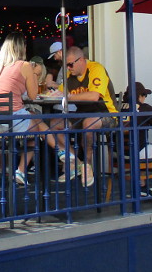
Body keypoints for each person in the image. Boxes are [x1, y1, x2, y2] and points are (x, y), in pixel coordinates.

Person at [0, 32, 76, 187]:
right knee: (37, 121)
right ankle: (61, 151)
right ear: (22, 47)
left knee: (33, 124)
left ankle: (21, 171)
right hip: (11, 122)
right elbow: (33, 95)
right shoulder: (24, 65)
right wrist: (34, 73)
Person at [50, 45, 117, 187]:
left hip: (107, 114)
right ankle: (76, 162)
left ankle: (87, 165)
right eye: (66, 65)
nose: (68, 68)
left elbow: (94, 96)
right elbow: (60, 93)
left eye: (70, 64)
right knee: (55, 124)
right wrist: (50, 94)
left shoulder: (96, 68)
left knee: (88, 123)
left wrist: (67, 97)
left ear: (81, 60)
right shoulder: (69, 75)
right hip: (83, 114)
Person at [120, 81, 152, 199]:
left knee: (147, 149)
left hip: (119, 152)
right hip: (137, 151)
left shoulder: (118, 106)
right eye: (144, 95)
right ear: (140, 96)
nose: (145, 98)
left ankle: (141, 187)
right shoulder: (143, 108)